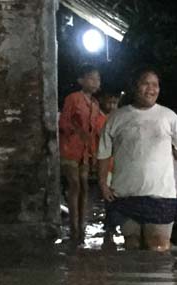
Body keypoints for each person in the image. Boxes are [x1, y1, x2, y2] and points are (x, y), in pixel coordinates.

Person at [97, 68, 177, 252]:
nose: (151, 89)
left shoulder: (170, 117)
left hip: (162, 194)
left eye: (155, 85)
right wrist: (102, 183)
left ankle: (161, 281)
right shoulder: (117, 118)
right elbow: (103, 154)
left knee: (158, 245)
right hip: (125, 194)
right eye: (145, 83)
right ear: (135, 87)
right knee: (131, 244)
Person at [59, 64, 102, 242]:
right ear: (81, 80)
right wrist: (76, 131)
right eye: (91, 78)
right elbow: (63, 122)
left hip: (86, 151)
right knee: (75, 184)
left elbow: (98, 128)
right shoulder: (73, 99)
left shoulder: (95, 104)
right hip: (70, 148)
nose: (96, 82)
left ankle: (81, 224)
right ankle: (74, 226)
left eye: (98, 79)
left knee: (84, 186)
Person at [96, 92, 123, 248]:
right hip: (108, 168)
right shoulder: (101, 120)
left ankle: (112, 228)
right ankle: (110, 228)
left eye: (115, 103)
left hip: (120, 167)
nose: (112, 106)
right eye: (110, 102)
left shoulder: (120, 120)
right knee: (110, 200)